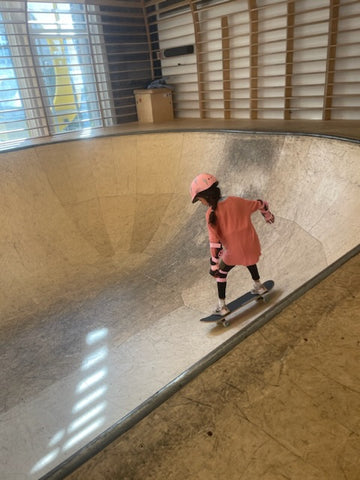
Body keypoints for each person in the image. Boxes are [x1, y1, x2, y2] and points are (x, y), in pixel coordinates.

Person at [190, 173, 275, 316]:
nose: (202, 203)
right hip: (252, 246)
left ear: (205, 197)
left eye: (200, 200)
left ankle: (222, 306)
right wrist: (267, 215)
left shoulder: (211, 213)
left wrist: (214, 264)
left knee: (221, 274)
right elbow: (261, 204)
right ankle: (259, 286)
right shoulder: (236, 201)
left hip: (234, 253)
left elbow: (215, 244)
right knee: (248, 260)